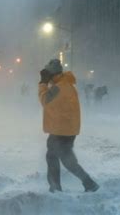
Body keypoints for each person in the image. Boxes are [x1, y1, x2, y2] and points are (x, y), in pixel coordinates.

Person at [39, 59, 99, 193]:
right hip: (66, 129)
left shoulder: (58, 88)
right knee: (67, 160)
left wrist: (43, 84)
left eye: (47, 74)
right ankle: (88, 183)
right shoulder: (65, 84)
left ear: (52, 74)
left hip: (60, 130)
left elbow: (45, 101)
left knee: (52, 157)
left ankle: (55, 187)